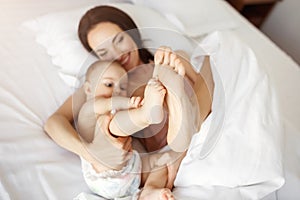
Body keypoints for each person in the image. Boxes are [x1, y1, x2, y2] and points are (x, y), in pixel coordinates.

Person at [44, 5, 214, 198]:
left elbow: (205, 93)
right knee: (111, 125)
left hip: (186, 131)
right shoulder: (106, 82)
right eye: (103, 52)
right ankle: (177, 131)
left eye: (119, 40)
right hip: (133, 154)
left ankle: (181, 128)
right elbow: (54, 123)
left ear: (131, 32)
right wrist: (90, 154)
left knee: (203, 61)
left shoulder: (169, 60)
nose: (116, 54)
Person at [77, 59, 177, 199]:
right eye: (109, 84)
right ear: (88, 88)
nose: (116, 90)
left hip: (133, 174)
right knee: (111, 124)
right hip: (105, 171)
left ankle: (149, 190)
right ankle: (146, 113)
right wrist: (130, 103)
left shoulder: (120, 114)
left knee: (164, 160)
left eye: (123, 87)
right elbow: (108, 103)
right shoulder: (88, 109)